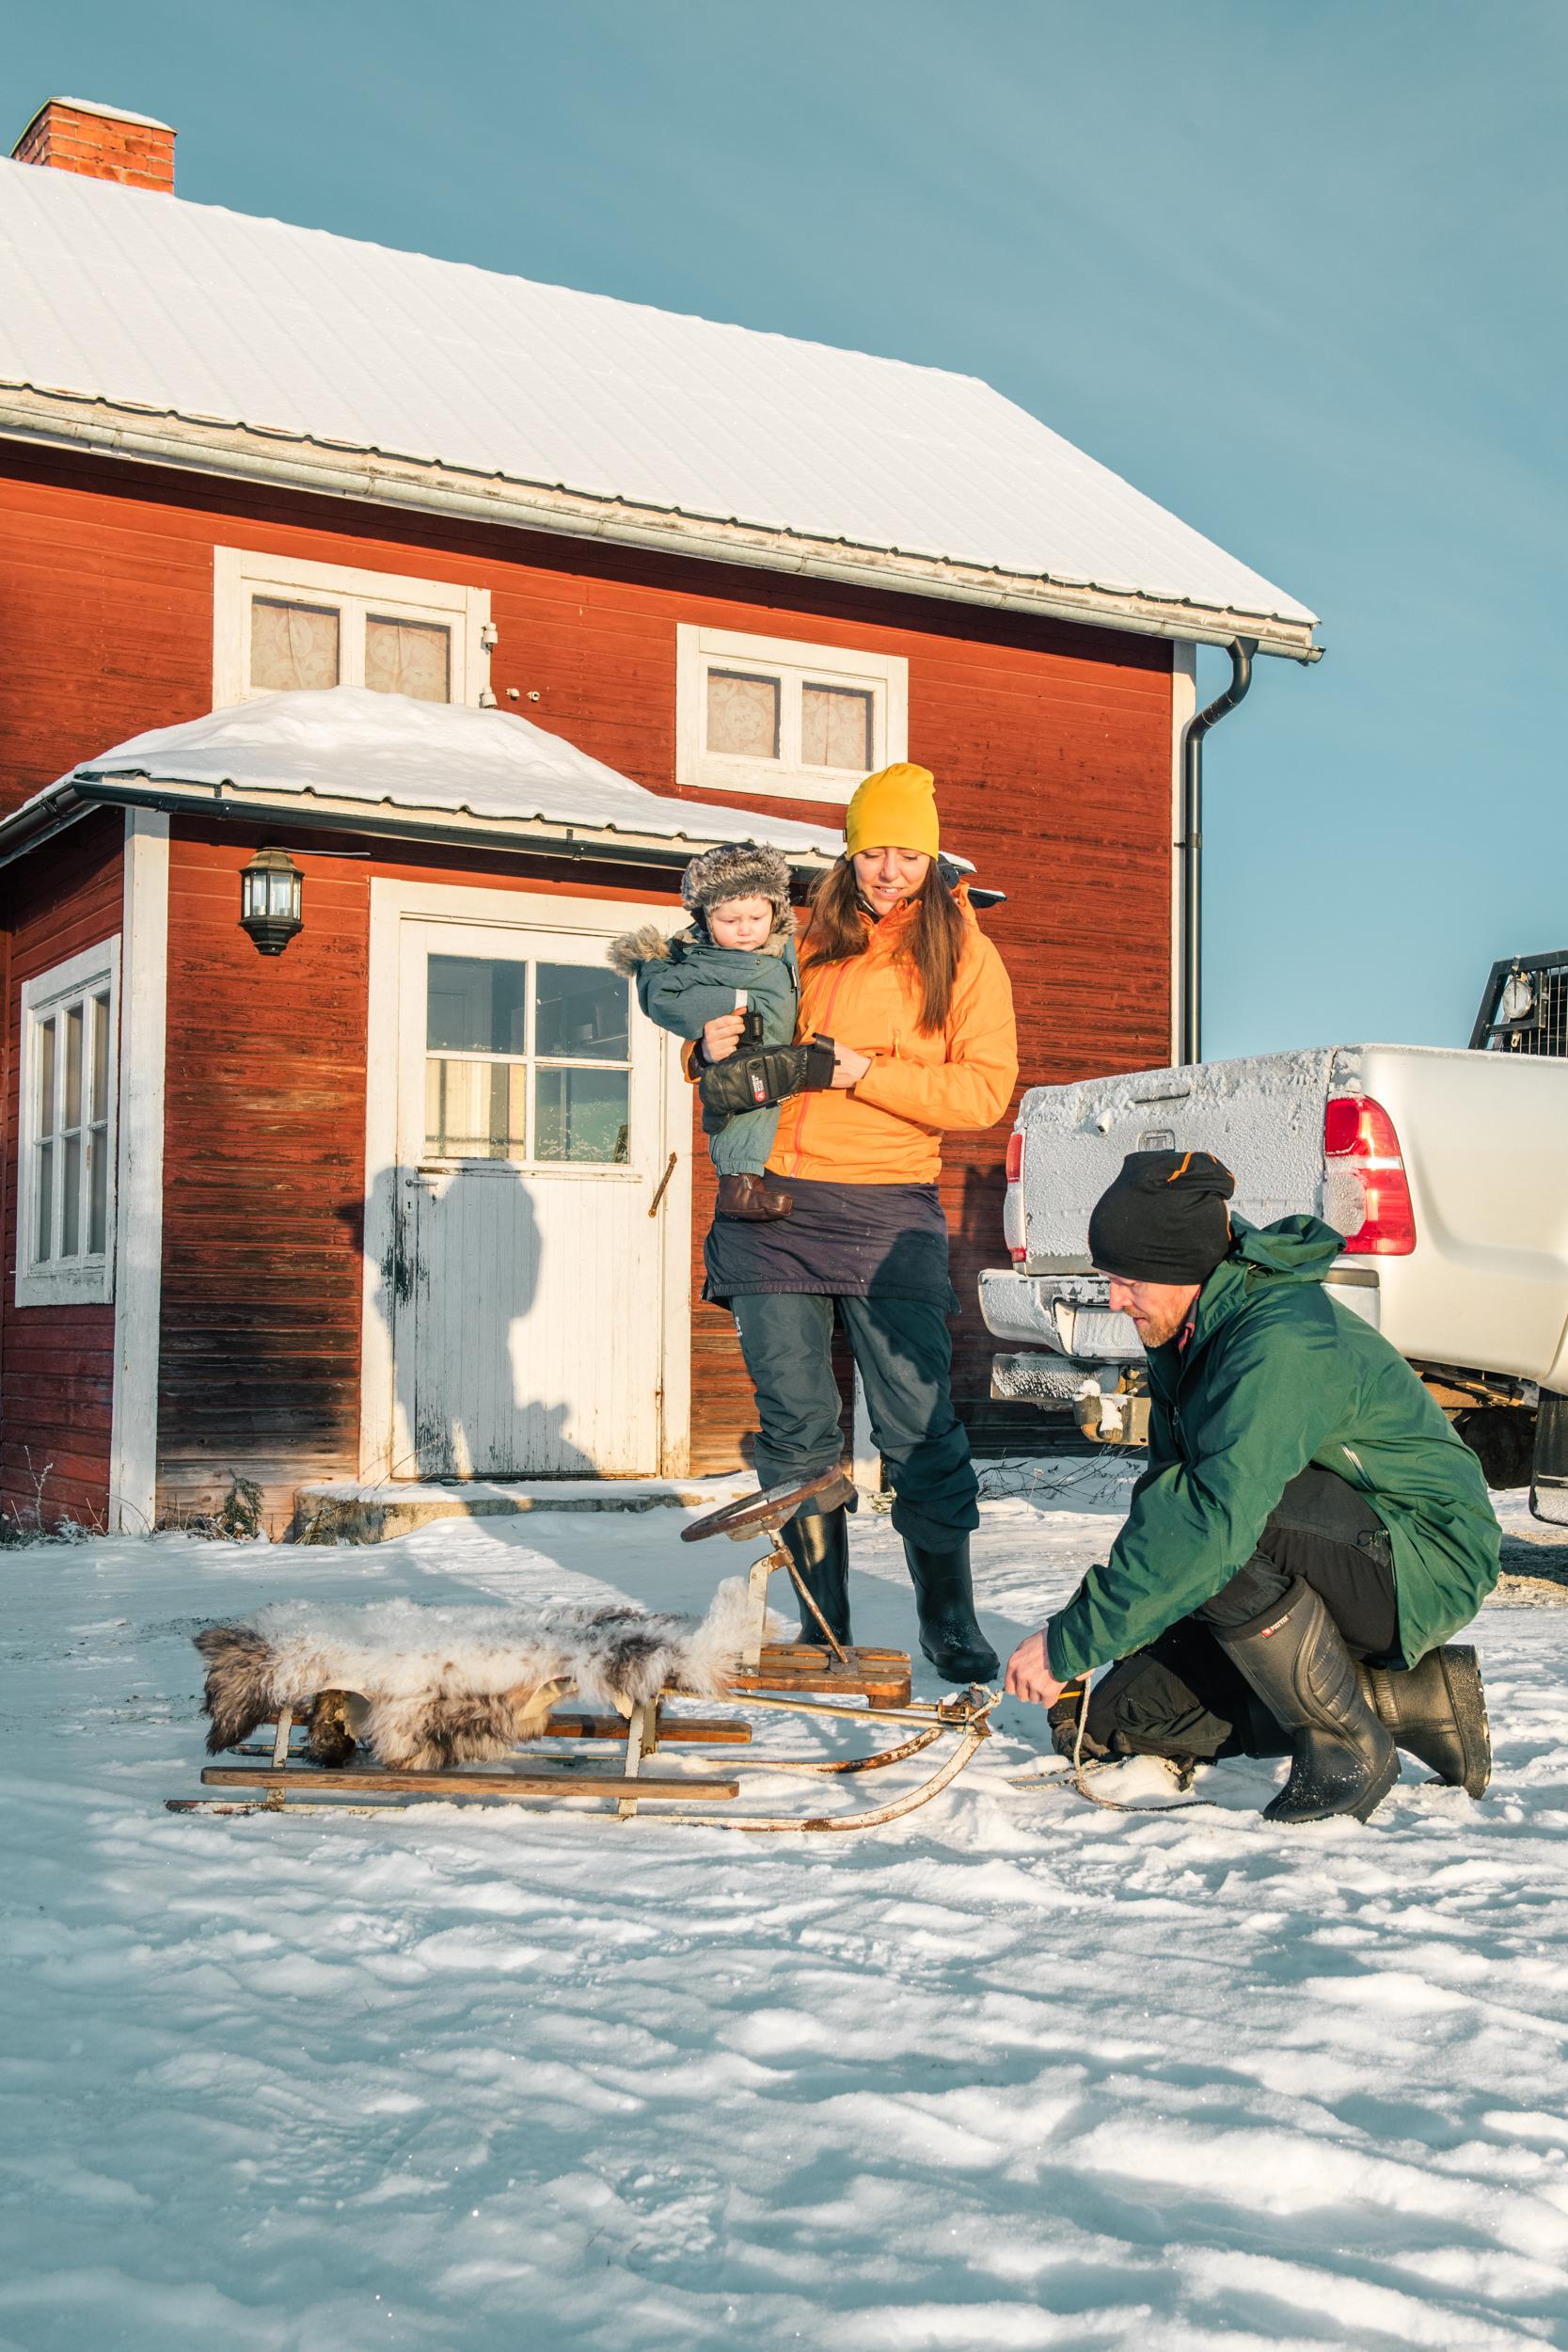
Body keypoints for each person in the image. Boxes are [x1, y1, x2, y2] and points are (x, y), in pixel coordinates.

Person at [1005, 1149, 1500, 1822]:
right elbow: (1165, 1501)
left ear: (1179, 1269)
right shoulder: (1188, 1326)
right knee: (1119, 1720)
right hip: (1314, 1541)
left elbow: (1209, 1517)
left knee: (1220, 1531)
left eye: (1126, 1281)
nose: (1113, 1299)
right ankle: (1411, 1699)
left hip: (1420, 1556)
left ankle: (1346, 1745)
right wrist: (1119, 1633)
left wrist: (1073, 1641)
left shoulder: (1278, 1338)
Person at [695, 761, 1019, 1683]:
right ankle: (820, 1626)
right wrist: (708, 1043)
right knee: (795, 1429)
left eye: (906, 852)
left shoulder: (960, 950)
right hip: (773, 1205)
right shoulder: (804, 933)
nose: (887, 870)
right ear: (849, 850)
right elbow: (742, 1029)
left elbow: (984, 1090)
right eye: (872, 849)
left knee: (915, 1426)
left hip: (884, 1210)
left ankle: (948, 1619)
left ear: (930, 852)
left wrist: (862, 1074)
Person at [610, 844, 813, 1214]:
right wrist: (728, 1012)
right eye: (730, 921)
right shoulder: (706, 960)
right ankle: (738, 1183)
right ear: (706, 918)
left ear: (776, 911)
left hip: (800, 1104)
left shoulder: (786, 948)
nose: (745, 930)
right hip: (751, 1056)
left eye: (755, 917)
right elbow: (663, 998)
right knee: (744, 1099)